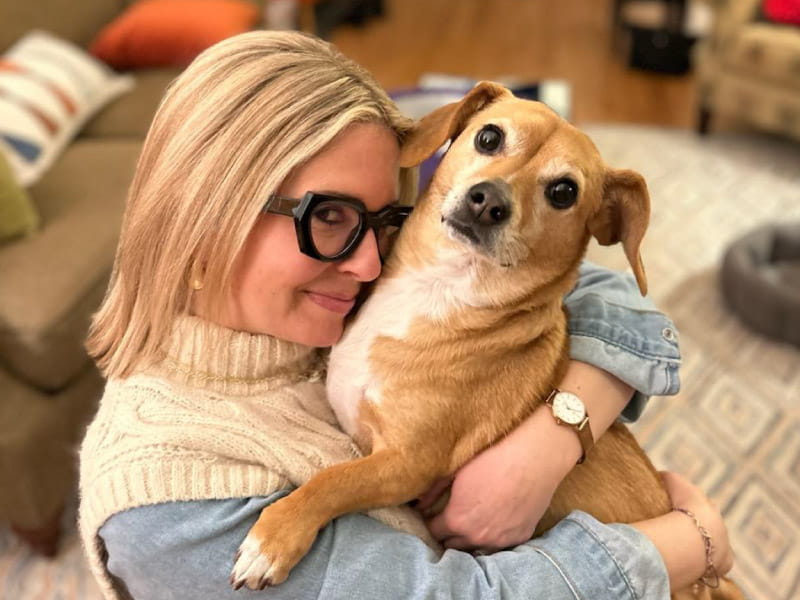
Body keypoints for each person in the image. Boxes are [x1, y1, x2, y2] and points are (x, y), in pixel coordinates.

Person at [78, 30, 733, 600]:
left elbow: (602, 294)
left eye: (390, 216)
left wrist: (555, 438)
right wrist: (690, 542)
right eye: (327, 216)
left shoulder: (365, 286)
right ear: (204, 217)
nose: (371, 264)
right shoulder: (168, 509)